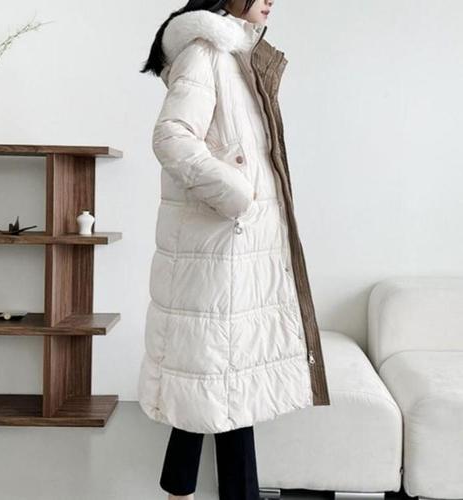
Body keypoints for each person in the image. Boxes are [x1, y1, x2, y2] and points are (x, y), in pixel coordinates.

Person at [139, 1, 331, 498]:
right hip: (219, 248)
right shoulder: (207, 51)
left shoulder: (236, 54)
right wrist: (237, 195)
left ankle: (177, 489)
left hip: (233, 249)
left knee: (215, 378)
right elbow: (171, 137)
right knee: (226, 378)